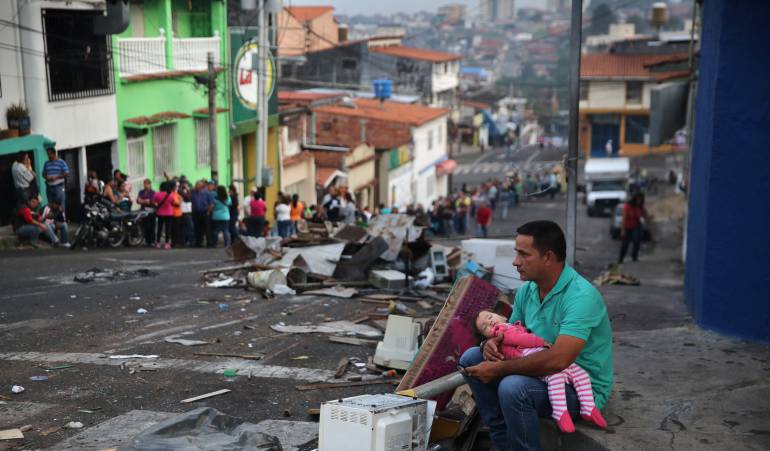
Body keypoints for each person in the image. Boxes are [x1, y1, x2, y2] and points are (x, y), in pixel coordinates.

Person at [459, 220, 613, 450]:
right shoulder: (527, 291)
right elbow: (510, 336)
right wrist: (490, 345)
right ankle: (501, 442)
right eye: (516, 253)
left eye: (523, 254)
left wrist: (499, 369)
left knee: (513, 387)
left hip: (577, 388)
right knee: (471, 357)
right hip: (540, 375)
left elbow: (558, 360)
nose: (515, 262)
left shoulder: (581, 297)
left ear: (548, 258)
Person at [474, 313, 608, 433]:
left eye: (490, 317)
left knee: (581, 373)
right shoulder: (502, 330)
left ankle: (588, 407)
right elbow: (519, 339)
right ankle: (560, 411)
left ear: (503, 316)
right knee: (555, 377)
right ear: (486, 336)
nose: (490, 322)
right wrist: (541, 342)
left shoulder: (510, 325)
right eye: (485, 327)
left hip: (539, 354)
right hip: (528, 355)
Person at [619, 192, 651, 263]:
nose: (639, 200)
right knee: (625, 244)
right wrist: (622, 230)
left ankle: (634, 257)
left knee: (637, 241)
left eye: (641, 199)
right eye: (638, 199)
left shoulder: (640, 207)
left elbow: (645, 215)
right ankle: (621, 259)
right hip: (627, 227)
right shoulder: (628, 206)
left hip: (636, 226)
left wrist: (648, 222)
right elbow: (624, 218)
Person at [153, 181, 175, 249]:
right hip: (169, 213)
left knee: (159, 228)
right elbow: (173, 201)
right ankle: (167, 243)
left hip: (160, 213)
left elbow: (153, 202)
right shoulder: (170, 195)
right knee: (168, 229)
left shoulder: (157, 194)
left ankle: (158, 243)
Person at [191, 180, 213, 247]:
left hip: (205, 212)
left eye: (198, 185)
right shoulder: (193, 193)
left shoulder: (207, 193)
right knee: (197, 228)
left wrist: (208, 212)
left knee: (207, 228)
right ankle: (198, 242)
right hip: (196, 213)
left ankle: (209, 243)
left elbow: (211, 204)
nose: (196, 186)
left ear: (201, 186)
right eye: (196, 185)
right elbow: (192, 202)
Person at [136, 179, 156, 247]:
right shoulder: (141, 192)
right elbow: (138, 200)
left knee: (151, 227)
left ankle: (152, 241)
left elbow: (150, 201)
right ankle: (146, 240)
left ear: (150, 184)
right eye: (144, 184)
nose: (145, 185)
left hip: (151, 211)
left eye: (147, 184)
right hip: (143, 211)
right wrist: (144, 201)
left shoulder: (152, 192)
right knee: (145, 226)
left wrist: (142, 201)